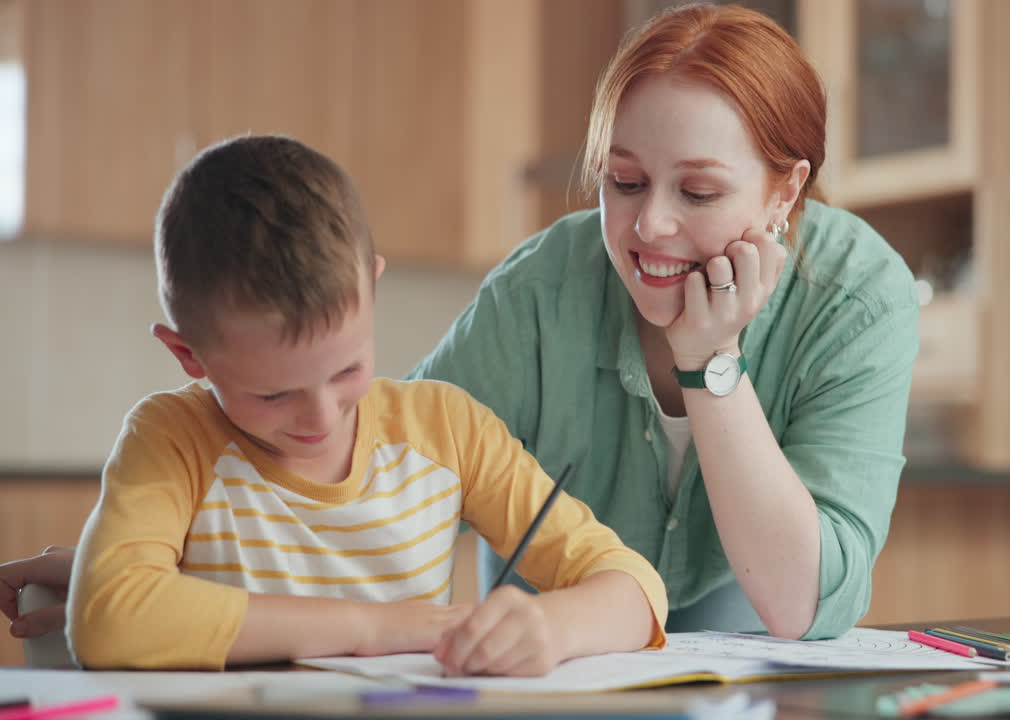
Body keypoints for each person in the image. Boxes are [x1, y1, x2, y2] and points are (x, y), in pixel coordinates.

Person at [2, 3, 916, 645]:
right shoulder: (543, 289)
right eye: (623, 182)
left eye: (701, 192)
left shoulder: (857, 296)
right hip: (537, 667)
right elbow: (376, 475)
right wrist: (130, 561)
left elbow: (799, 602)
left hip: (747, 663)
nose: (649, 227)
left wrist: (712, 361)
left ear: (786, 188)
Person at [49, 135, 666, 672]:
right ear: (190, 357)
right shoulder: (171, 439)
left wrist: (551, 630)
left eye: (346, 369)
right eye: (273, 393)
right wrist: (380, 630)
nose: (320, 416)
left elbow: (638, 591)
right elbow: (109, 618)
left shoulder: (447, 430)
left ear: (372, 287)